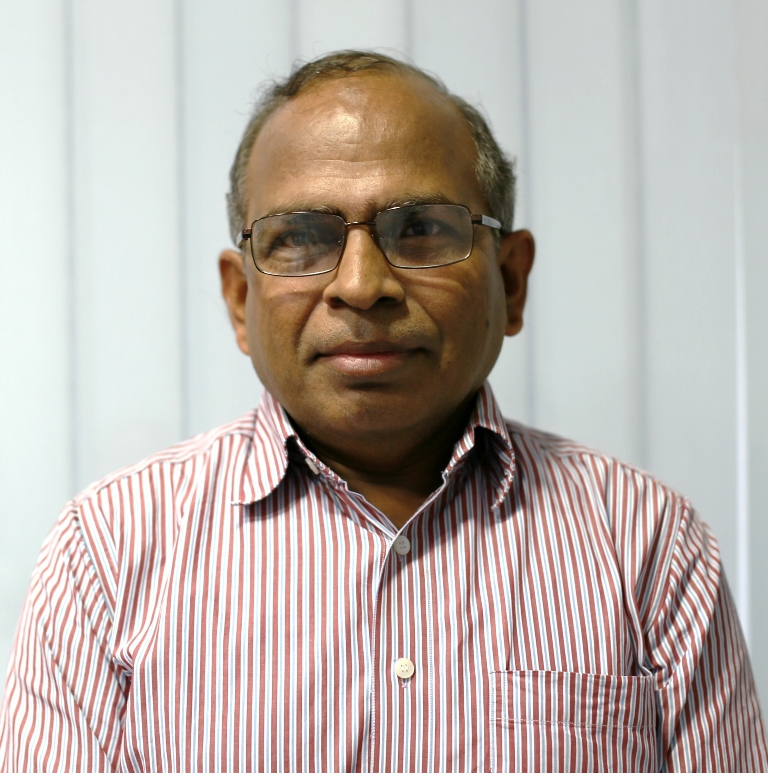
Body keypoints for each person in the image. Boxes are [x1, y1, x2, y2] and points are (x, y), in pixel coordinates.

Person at [1, 50, 765, 772]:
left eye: (422, 229)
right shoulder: (107, 553)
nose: (362, 286)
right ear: (239, 300)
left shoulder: (646, 544)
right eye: (302, 237)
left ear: (511, 281)